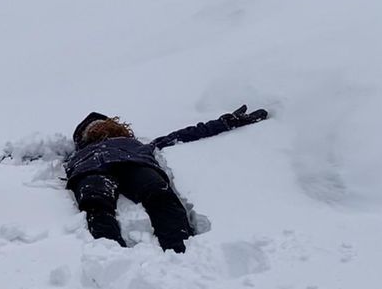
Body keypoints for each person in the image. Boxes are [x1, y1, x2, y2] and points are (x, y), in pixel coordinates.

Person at [64, 105, 268, 253]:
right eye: (92, 128)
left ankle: (179, 251)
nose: (98, 127)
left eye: (100, 124)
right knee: (96, 203)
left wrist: (225, 122)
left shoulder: (137, 144)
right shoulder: (77, 155)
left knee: (158, 194)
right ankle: (109, 256)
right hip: (97, 169)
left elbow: (186, 133)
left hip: (132, 163)